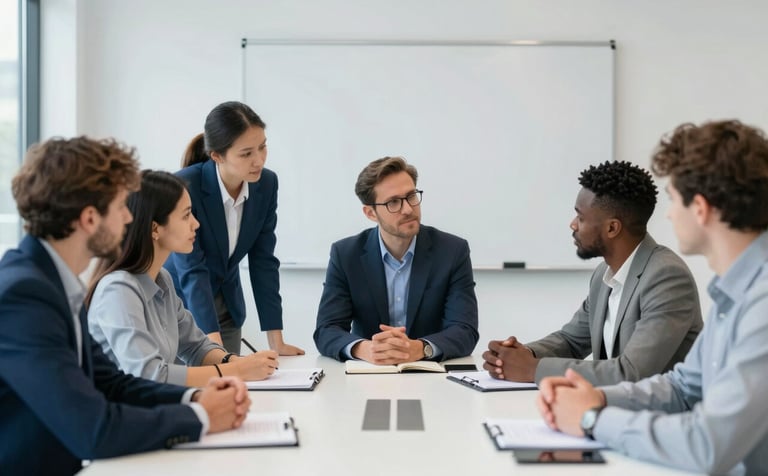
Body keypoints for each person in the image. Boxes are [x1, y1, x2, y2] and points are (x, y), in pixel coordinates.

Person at [0, 137, 250, 475]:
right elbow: (93, 429)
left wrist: (194, 399)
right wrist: (201, 418)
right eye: (120, 207)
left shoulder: (52, 282)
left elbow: (111, 383)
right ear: (90, 218)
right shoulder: (25, 296)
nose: (129, 217)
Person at [537, 120, 768, 475]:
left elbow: (708, 445)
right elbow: (682, 388)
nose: (669, 213)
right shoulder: (734, 293)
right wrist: (597, 397)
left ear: (701, 209)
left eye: (674, 199)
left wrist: (591, 418)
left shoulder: (761, 302)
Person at [483, 161, 702, 385]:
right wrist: (520, 355)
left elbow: (632, 372)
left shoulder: (666, 277)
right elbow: (571, 341)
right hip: (612, 410)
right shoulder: (603, 275)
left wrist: (533, 369)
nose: (572, 225)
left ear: (612, 228)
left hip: (660, 416)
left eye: (581, 217)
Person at [88, 170, 279, 387]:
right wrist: (237, 370)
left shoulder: (162, 280)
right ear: (155, 229)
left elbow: (196, 347)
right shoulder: (118, 290)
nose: (196, 224)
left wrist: (237, 361)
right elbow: (150, 375)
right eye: (186, 215)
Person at [165, 101, 303, 355]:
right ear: (217, 155)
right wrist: (214, 346)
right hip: (181, 304)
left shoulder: (267, 184)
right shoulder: (186, 184)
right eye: (246, 153)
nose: (258, 161)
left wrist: (276, 341)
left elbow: (264, 261)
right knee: (197, 385)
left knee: (234, 387)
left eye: (262, 147)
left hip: (227, 305)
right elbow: (192, 269)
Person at [314, 156, 479, 363]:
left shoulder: (452, 251)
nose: (408, 209)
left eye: (411, 196)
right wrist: (365, 349)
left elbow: (465, 329)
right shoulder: (346, 254)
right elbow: (326, 330)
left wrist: (421, 348)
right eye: (393, 202)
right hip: (368, 375)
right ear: (370, 213)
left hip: (431, 374)